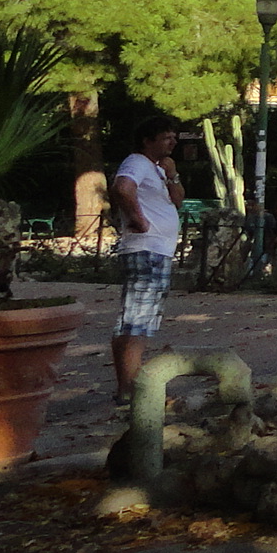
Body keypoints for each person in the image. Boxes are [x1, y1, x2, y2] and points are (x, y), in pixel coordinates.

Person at [110, 116, 184, 399]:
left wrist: (172, 175)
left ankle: (130, 385)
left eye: (174, 136)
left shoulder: (157, 169)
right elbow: (122, 188)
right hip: (146, 248)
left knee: (142, 318)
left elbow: (177, 199)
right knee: (136, 319)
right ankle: (129, 388)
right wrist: (138, 220)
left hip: (158, 250)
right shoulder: (137, 162)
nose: (172, 141)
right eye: (166, 136)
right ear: (147, 140)